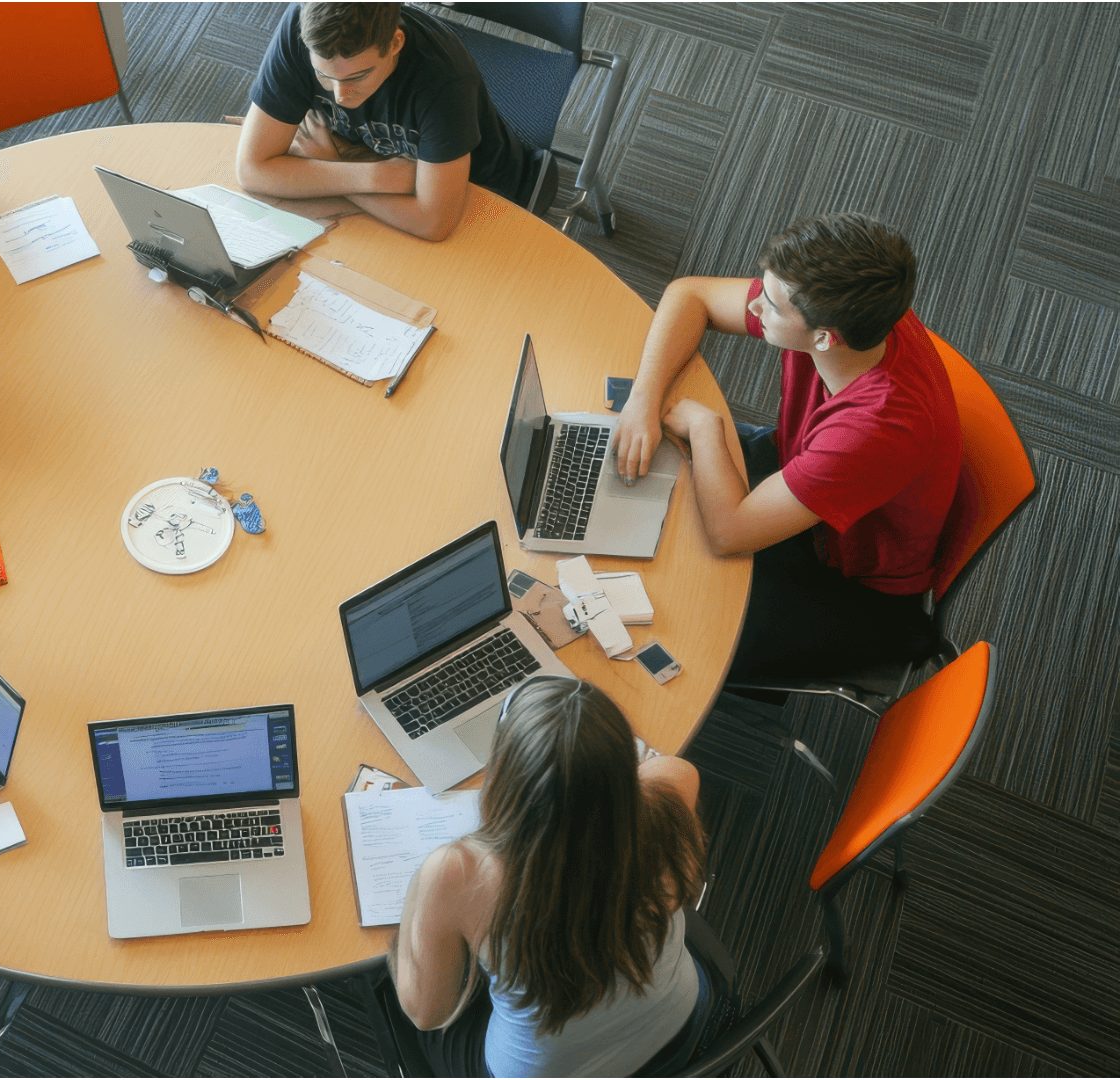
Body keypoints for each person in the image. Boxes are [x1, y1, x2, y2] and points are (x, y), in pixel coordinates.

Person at [610, 213, 960, 679]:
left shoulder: (872, 432)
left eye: (772, 305)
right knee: (645, 494)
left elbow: (729, 534)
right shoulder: (855, 310)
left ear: (824, 338)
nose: (755, 305)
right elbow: (690, 294)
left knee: (671, 619)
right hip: (805, 468)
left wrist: (706, 427)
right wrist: (643, 400)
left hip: (850, 579)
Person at [388, 677, 709, 1076]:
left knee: (384, 990)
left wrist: (423, 888)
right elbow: (651, 770)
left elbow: (426, 1014)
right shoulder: (674, 787)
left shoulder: (458, 873)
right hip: (679, 1030)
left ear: (505, 776)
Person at [236, 2, 555, 243]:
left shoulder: (444, 80)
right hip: (379, 174)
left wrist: (328, 165)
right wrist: (373, 176)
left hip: (481, 195)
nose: (340, 95)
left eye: (358, 76)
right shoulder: (303, 29)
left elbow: (433, 223)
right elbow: (252, 170)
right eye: (323, 75)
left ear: (395, 44)